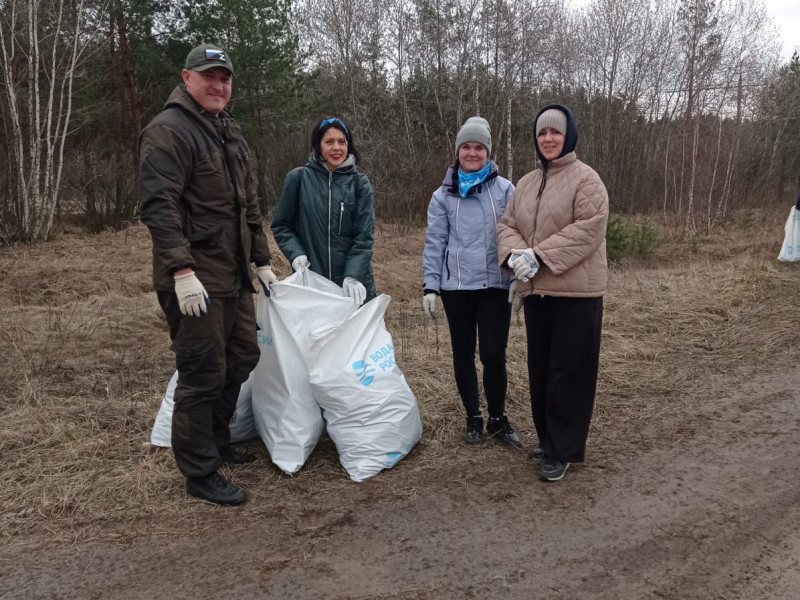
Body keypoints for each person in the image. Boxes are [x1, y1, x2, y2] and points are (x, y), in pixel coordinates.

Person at [140, 43, 277, 506]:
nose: (219, 85)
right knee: (201, 371)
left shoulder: (227, 132)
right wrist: (181, 269)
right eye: (209, 76)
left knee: (242, 357)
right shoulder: (168, 132)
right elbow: (160, 207)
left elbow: (248, 207)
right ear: (187, 78)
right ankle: (199, 471)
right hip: (194, 278)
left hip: (233, 274)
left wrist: (261, 261)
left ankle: (217, 441)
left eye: (225, 78)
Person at [497, 104, 608, 482]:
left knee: (568, 371)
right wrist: (515, 255)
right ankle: (548, 440)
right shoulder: (526, 183)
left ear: (569, 136)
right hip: (538, 292)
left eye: (555, 132)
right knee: (541, 369)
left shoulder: (586, 180)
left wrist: (539, 256)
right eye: (542, 133)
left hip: (576, 295)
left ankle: (563, 449)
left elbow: (588, 228)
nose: (548, 139)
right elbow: (507, 224)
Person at [422, 116, 521, 448]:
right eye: (467, 146)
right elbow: (435, 242)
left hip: (496, 285)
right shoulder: (442, 196)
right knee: (462, 353)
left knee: (494, 354)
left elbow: (519, 235)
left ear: (488, 152)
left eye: (479, 147)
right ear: (457, 151)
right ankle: (473, 418)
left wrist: (520, 272)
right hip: (457, 289)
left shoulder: (507, 189)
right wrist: (431, 286)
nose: (473, 153)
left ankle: (497, 418)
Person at [271, 117, 375, 304]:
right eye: (329, 142)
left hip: (351, 288)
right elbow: (282, 226)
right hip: (311, 287)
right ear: (318, 146)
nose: (336, 147)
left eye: (342, 142)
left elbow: (363, 239)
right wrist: (296, 254)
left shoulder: (360, 184)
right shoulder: (298, 179)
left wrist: (353, 275)